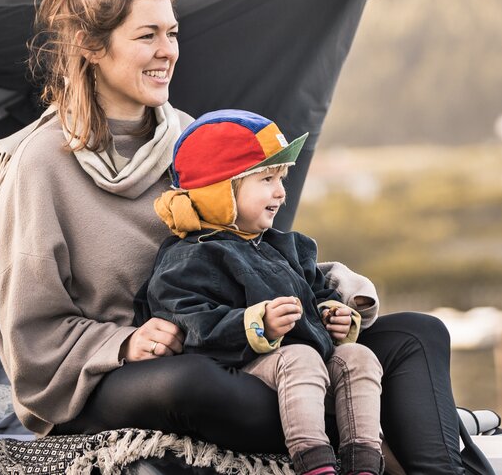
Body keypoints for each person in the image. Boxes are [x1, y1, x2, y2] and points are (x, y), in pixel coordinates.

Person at [0, 0, 493, 474]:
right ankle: (367, 429)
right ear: (92, 46)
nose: (169, 51)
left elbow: (253, 252)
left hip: (238, 348)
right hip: (126, 379)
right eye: (147, 35)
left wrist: (334, 294)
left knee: (417, 335)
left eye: (173, 32)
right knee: (197, 382)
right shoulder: (39, 164)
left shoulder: (192, 137)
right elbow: (28, 332)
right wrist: (123, 342)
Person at [144, 110, 384, 475]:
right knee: (300, 356)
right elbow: (189, 320)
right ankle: (315, 464)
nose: (280, 192)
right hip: (245, 367)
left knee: (358, 357)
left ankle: (364, 461)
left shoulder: (286, 246)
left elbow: (316, 291)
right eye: (267, 179)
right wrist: (258, 325)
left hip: (308, 364)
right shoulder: (191, 255)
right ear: (220, 190)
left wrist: (332, 314)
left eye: (281, 179)